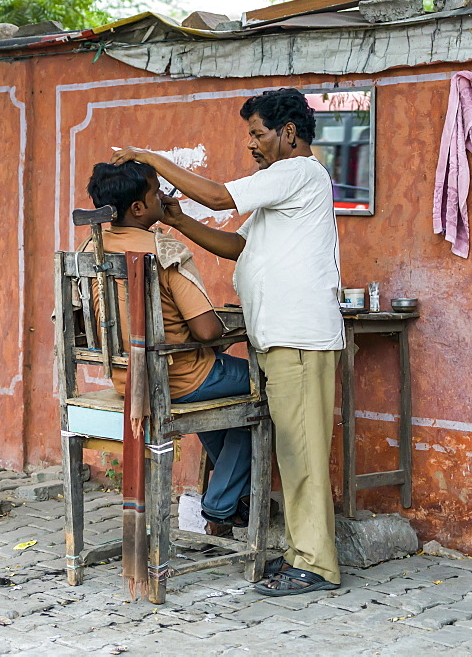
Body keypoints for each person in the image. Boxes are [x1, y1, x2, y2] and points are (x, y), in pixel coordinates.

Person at [112, 87, 344, 597]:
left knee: (300, 453)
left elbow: (219, 197)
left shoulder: (298, 172)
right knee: (291, 448)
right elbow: (239, 246)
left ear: (288, 133)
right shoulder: (281, 187)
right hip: (280, 337)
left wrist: (153, 159)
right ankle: (298, 552)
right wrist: (176, 219)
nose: (251, 145)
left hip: (300, 337)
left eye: (257, 134)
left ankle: (316, 564)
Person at [83, 161, 254, 536]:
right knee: (267, 390)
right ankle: (222, 504)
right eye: (157, 190)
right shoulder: (163, 249)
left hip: (126, 380)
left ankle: (228, 500)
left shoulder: (90, 251)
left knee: (227, 399)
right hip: (178, 378)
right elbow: (207, 330)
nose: (165, 195)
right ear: (139, 209)